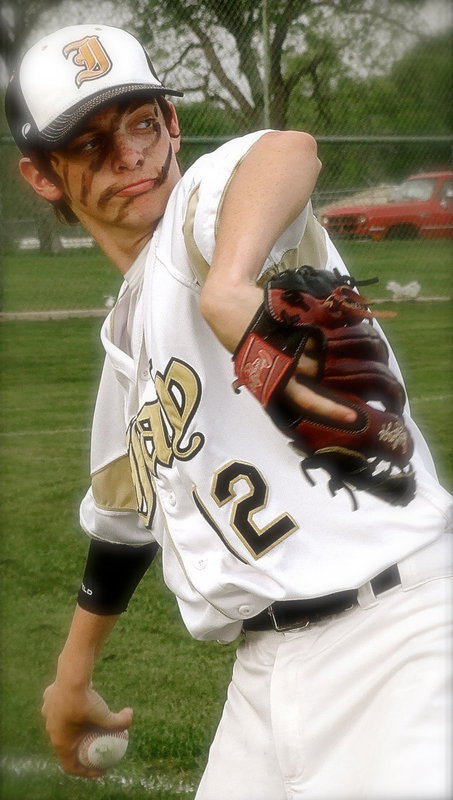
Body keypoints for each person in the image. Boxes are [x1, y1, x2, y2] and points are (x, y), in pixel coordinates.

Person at [6, 23, 452, 800]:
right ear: (42, 176)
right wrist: (69, 681)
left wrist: (229, 285)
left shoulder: (201, 221)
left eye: (142, 122)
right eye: (88, 143)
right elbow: (121, 522)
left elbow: (285, 152)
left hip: (400, 639)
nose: (129, 154)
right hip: (262, 676)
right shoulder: (126, 340)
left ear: (172, 126)